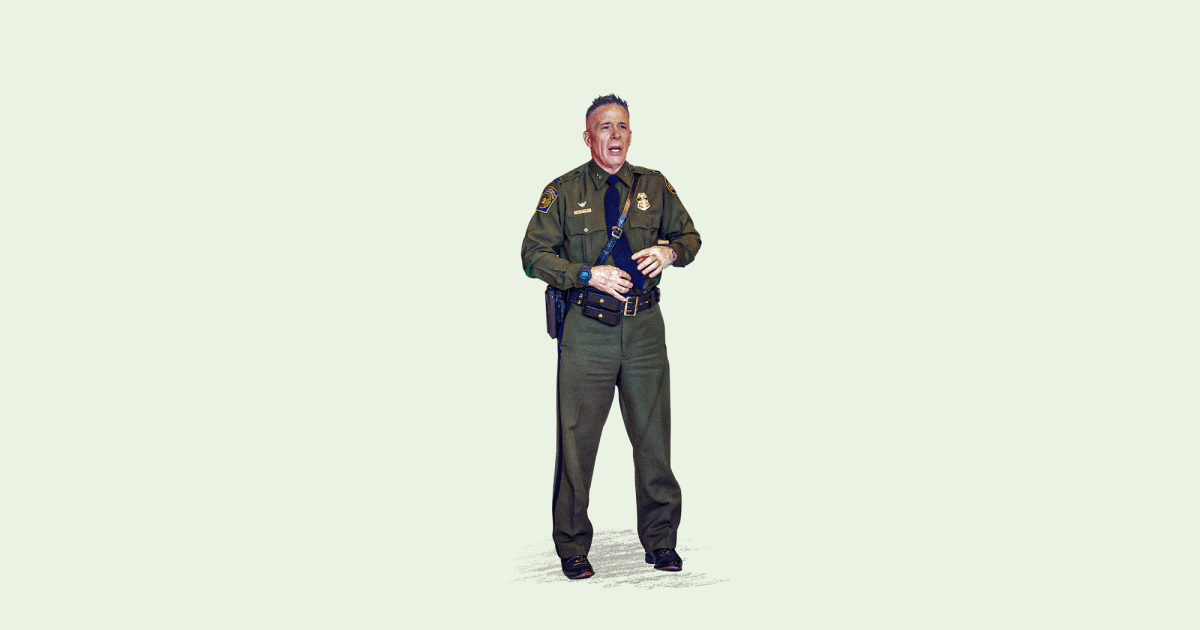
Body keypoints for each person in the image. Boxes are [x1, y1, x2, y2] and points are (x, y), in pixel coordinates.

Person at [520, 94, 702, 580]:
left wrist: (669, 253)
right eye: (605, 127)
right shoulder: (563, 191)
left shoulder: (654, 186)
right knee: (576, 443)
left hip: (644, 329)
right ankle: (572, 546)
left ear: (631, 134)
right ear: (588, 137)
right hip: (588, 332)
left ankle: (661, 542)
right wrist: (586, 274)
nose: (615, 135)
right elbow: (533, 256)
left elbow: (690, 238)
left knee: (653, 439)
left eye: (622, 126)